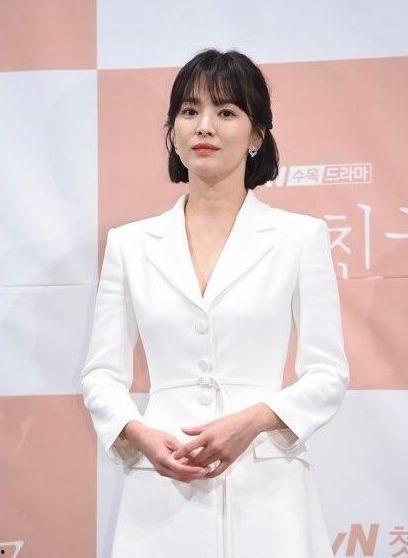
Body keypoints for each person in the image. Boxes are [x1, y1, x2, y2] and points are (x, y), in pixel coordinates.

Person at [80, 48, 350, 558]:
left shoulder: (299, 238)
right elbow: (101, 374)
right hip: (162, 485)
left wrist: (254, 420)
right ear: (173, 131)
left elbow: (327, 373)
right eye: (189, 110)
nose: (204, 125)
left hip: (267, 487)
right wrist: (140, 434)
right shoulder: (130, 244)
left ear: (256, 135)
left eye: (226, 112)